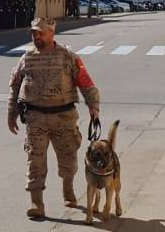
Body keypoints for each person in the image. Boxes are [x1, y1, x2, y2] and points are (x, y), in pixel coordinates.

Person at [8, 18, 100, 219]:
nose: (36, 36)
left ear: (52, 33)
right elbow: (15, 85)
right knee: (35, 160)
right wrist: (11, 112)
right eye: (33, 33)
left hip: (64, 117)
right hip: (35, 117)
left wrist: (93, 106)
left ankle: (68, 189)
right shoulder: (27, 57)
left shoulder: (67, 56)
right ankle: (36, 202)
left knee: (69, 160)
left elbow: (85, 82)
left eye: (40, 32)